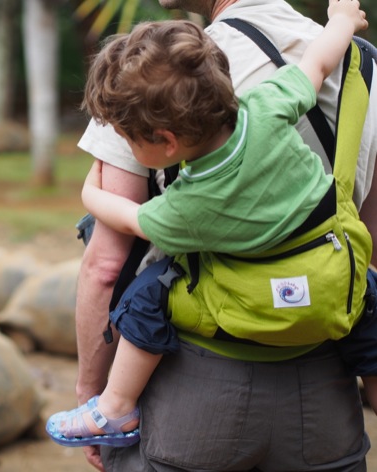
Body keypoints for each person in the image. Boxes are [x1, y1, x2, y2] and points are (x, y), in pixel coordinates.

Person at [47, 1, 371, 449]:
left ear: (166, 141)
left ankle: (114, 408)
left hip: (201, 388)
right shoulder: (278, 102)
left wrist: (89, 194)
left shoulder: (182, 200)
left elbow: (108, 260)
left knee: (148, 295)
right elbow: (318, 62)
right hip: (326, 383)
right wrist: (342, 21)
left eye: (129, 140)